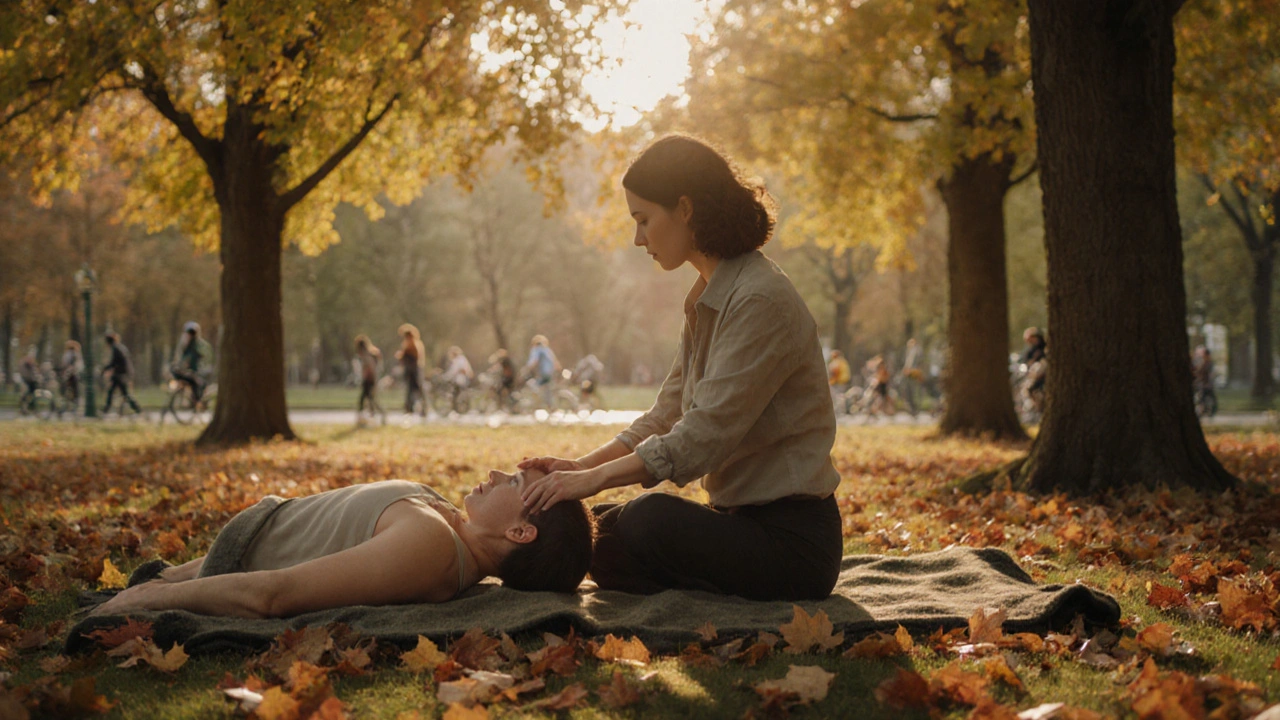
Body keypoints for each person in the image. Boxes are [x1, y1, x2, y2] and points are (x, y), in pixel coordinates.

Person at [519, 134, 842, 602]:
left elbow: (703, 436)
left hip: (794, 545)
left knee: (644, 519)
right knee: (597, 526)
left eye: (643, 220)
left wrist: (592, 480)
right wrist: (582, 467)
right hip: (738, 525)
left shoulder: (759, 299)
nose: (639, 238)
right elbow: (664, 415)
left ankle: (674, 578)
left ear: (685, 209)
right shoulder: (708, 298)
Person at [90, 467, 595, 618]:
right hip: (209, 561)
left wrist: (151, 598)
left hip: (220, 573)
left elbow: (274, 593)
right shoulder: (447, 526)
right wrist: (167, 577)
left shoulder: (431, 549)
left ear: (519, 532)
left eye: (513, 482)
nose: (498, 473)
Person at [102, 332, 143, 416]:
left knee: (122, 393)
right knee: (119, 392)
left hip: (120, 374)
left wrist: (105, 369)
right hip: (123, 373)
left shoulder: (115, 349)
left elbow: (114, 362)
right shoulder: (120, 347)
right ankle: (137, 409)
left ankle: (138, 409)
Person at [172, 321, 213, 402]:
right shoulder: (185, 345)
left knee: (197, 383)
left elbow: (204, 360)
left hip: (199, 371)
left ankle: (199, 400)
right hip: (189, 371)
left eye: (192, 333)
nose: (190, 335)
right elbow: (181, 358)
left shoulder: (200, 345)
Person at [354, 335, 386, 425]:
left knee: (368, 399)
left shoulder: (367, 355)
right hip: (369, 380)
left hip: (369, 380)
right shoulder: (371, 353)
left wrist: (372, 380)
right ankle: (376, 416)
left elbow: (371, 369)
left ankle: (366, 417)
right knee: (370, 400)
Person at [396, 324, 427, 415]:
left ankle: (418, 408)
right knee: (413, 390)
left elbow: (413, 357)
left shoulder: (413, 344)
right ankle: (411, 408)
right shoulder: (413, 343)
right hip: (412, 370)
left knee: (416, 390)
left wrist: (401, 356)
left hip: (413, 371)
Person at [524, 335, 560, 409]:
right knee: (547, 388)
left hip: (544, 372)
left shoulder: (537, 349)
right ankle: (549, 405)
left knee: (535, 387)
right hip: (550, 373)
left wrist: (527, 368)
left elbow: (534, 360)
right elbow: (555, 362)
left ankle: (537, 405)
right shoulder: (547, 349)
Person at [59, 340, 85, 408]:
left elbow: (64, 363)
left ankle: (64, 400)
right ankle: (75, 401)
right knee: (75, 388)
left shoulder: (67, 353)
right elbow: (79, 365)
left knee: (65, 387)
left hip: (68, 373)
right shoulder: (76, 354)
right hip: (74, 373)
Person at [18, 347, 40, 413]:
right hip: (26, 381)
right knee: (25, 394)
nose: (31, 360)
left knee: (33, 393)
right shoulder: (23, 364)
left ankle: (31, 407)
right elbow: (25, 374)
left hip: (31, 382)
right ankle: (24, 408)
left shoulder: (32, 365)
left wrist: (36, 378)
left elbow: (35, 373)